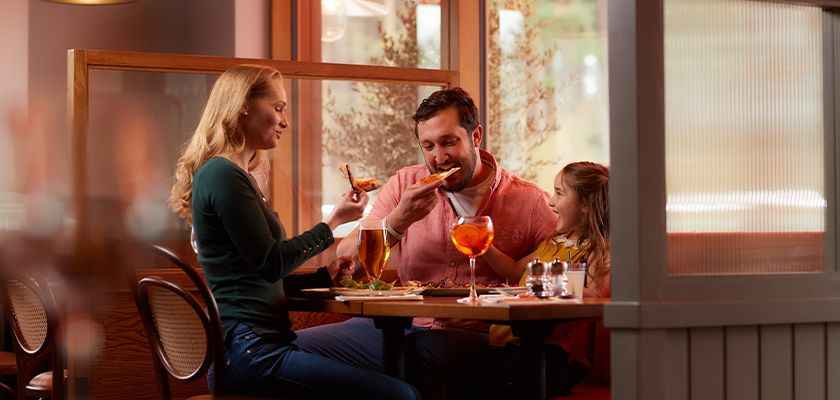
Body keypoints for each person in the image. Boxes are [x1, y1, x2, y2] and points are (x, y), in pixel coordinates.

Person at [168, 64, 420, 400]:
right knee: (399, 395)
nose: (285, 121)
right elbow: (272, 263)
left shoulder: (231, 175)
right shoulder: (222, 175)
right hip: (250, 354)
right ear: (244, 105)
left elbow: (258, 276)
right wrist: (331, 223)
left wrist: (324, 275)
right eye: (278, 108)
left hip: (253, 350)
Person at [293, 87, 557, 399]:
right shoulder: (405, 184)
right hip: (395, 326)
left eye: (449, 142)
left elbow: (576, 257)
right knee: (286, 348)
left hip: (474, 336)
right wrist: (397, 221)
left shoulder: (530, 201)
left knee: (414, 359)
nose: (439, 158)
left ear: (476, 136)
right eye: (428, 146)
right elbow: (348, 260)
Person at [486, 161, 611, 398]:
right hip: (505, 342)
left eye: (559, 193)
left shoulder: (596, 249)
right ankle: (567, 375)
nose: (551, 201)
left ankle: (566, 374)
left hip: (544, 346)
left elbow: (596, 302)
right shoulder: (553, 242)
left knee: (511, 384)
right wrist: (482, 246)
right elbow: (513, 271)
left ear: (585, 204)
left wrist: (555, 283)